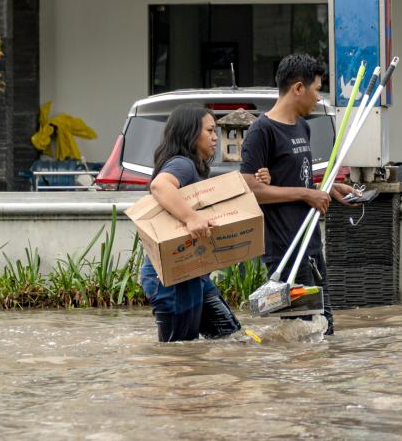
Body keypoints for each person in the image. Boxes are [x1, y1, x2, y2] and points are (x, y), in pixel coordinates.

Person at [239, 54, 357, 335]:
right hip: (285, 249)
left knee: (323, 330)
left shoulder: (303, 127)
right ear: (299, 88)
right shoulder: (261, 131)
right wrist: (306, 194)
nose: (319, 98)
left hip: (310, 243)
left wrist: (325, 189)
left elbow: (296, 179)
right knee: (304, 333)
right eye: (317, 89)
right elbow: (251, 189)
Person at [138, 103, 268, 342]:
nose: (215, 137)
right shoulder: (182, 164)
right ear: (189, 133)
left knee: (232, 339)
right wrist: (191, 218)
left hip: (191, 273)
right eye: (209, 131)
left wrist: (260, 182)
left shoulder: (193, 167)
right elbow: (160, 186)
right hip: (171, 278)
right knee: (179, 353)